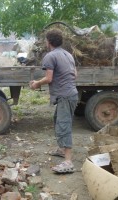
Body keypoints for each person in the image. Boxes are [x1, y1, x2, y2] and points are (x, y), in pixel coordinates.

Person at [29, 29, 78, 174]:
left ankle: (68, 161)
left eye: (45, 40)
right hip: (71, 94)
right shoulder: (68, 54)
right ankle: (62, 149)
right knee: (58, 119)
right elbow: (74, 74)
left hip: (65, 96)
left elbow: (49, 78)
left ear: (48, 42)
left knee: (64, 124)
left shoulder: (50, 56)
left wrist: (37, 83)